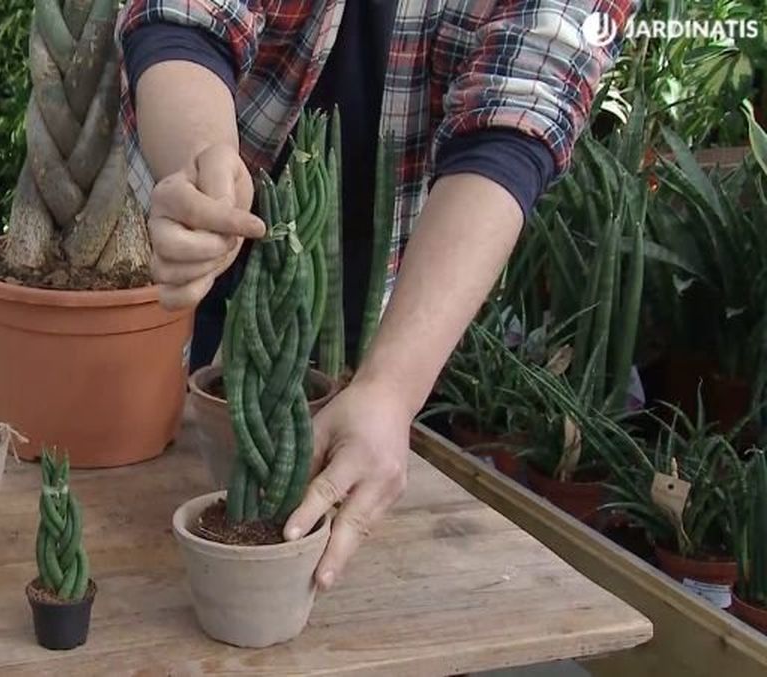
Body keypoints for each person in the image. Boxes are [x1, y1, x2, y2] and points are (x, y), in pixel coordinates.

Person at [117, 0, 634, 590]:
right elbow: (185, 16)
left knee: (328, 488)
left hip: (407, 255)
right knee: (147, 495)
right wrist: (201, 167)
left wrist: (391, 390)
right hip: (193, 205)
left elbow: (522, 109)